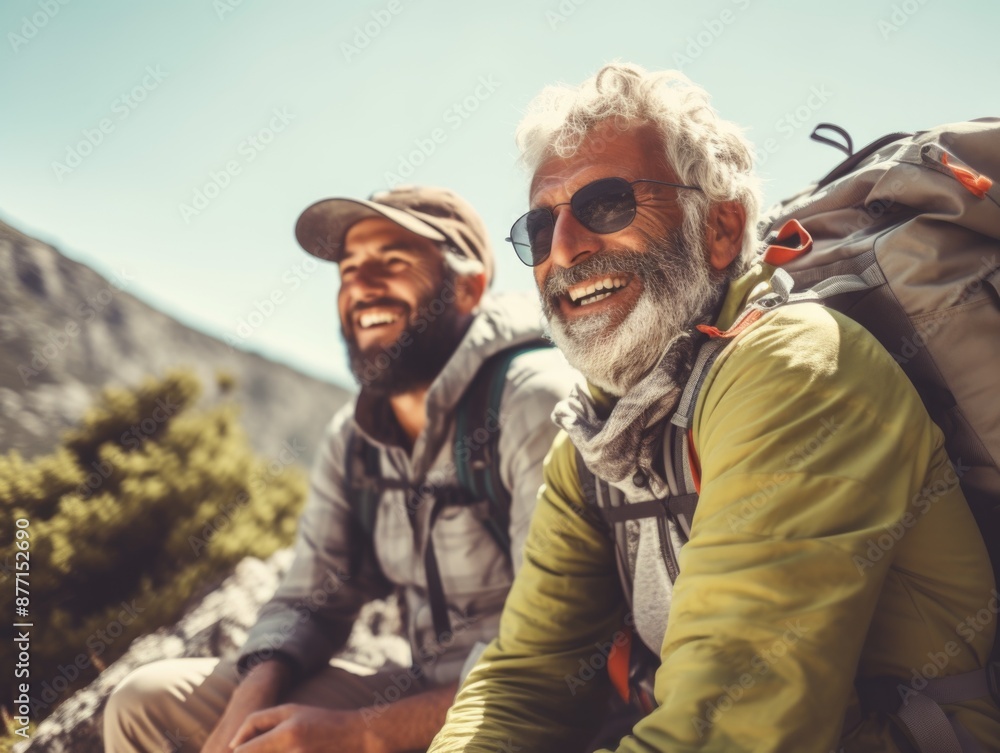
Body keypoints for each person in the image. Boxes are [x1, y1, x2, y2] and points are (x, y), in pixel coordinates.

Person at [427, 65, 1000, 753]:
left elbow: (726, 727)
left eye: (607, 204)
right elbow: (525, 678)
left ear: (721, 229)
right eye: (539, 225)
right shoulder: (593, 436)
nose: (564, 249)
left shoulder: (793, 366)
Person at [103, 185, 581, 753]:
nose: (361, 285)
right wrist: (242, 716)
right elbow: (311, 600)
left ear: (469, 287)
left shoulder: (532, 402)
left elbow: (559, 658)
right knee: (146, 706)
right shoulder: (354, 440)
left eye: (394, 262)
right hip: (418, 694)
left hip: (533, 713)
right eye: (349, 268)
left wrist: (361, 734)